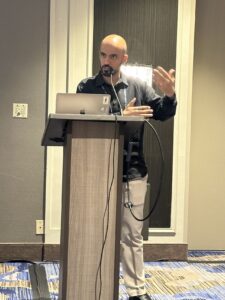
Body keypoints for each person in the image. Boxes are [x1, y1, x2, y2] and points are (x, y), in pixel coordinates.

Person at [76, 34, 177, 300]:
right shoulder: (86, 87)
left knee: (131, 235)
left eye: (112, 56)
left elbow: (162, 112)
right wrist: (120, 116)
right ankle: (92, 287)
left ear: (124, 59)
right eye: (102, 55)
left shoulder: (138, 86)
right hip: (95, 173)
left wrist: (169, 94)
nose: (106, 61)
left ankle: (136, 291)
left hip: (132, 171)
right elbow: (79, 123)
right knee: (96, 231)